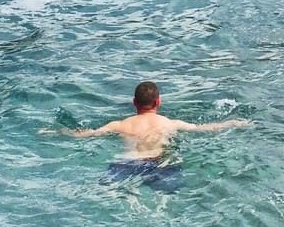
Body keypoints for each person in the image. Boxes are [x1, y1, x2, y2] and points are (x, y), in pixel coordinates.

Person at [47, 81, 251, 191]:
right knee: (167, 198)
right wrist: (233, 123)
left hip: (126, 165)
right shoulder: (169, 124)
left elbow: (84, 135)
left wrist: (56, 132)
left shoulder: (119, 124)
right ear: (158, 102)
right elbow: (204, 128)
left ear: (134, 102)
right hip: (159, 165)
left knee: (110, 193)